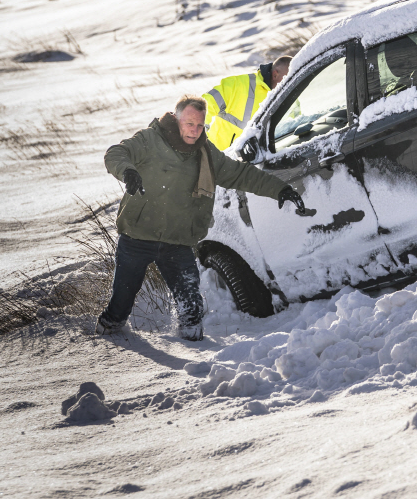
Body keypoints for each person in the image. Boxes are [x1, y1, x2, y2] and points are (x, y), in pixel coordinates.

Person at [97, 94, 304, 339]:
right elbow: (116, 153)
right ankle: (106, 339)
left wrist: (280, 188)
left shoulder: (205, 153)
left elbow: (240, 175)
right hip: (138, 236)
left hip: (178, 241)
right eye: (189, 123)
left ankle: (195, 351)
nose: (195, 131)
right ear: (175, 118)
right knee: (120, 305)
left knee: (192, 308)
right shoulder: (149, 140)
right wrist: (128, 172)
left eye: (199, 125)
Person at [202, 55, 292, 151]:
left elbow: (292, 124)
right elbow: (204, 105)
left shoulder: (287, 95)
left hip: (262, 160)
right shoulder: (238, 85)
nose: (289, 83)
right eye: (287, 78)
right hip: (220, 157)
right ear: (275, 74)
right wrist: (199, 137)